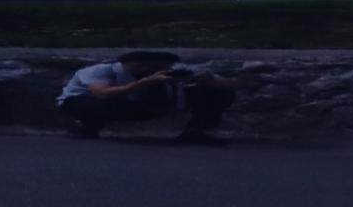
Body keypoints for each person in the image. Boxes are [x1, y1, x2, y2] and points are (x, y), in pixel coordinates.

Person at [57, 50, 232, 140]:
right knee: (97, 101)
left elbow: (231, 84)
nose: (149, 69)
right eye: (144, 65)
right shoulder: (101, 70)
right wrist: (146, 81)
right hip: (88, 103)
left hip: (139, 105)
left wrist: (210, 80)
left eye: (160, 67)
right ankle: (87, 126)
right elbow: (102, 94)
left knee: (216, 91)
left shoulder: (173, 70)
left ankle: (195, 132)